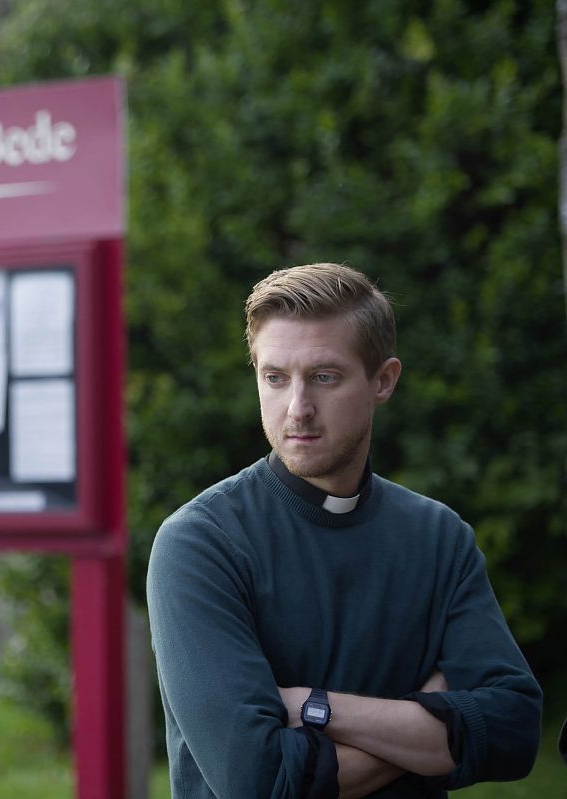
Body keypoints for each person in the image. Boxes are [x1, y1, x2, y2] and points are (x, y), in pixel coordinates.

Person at [146, 263, 542, 798]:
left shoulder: (438, 537)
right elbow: (257, 780)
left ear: (384, 381)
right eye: (275, 377)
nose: (298, 408)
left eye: (324, 377)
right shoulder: (201, 543)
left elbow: (515, 730)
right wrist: (427, 729)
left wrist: (316, 706)